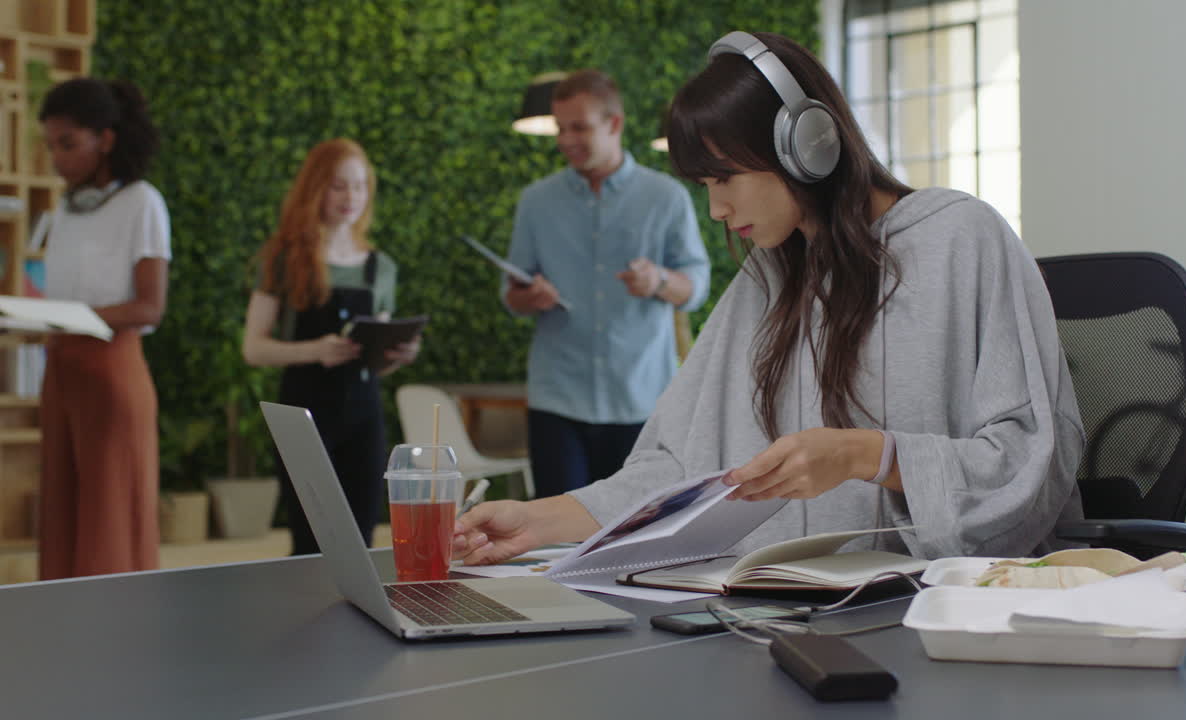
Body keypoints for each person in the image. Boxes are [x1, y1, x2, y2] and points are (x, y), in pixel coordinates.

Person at [454, 31, 1083, 564]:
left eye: (724, 178)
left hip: (931, 618)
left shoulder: (959, 239)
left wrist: (871, 454)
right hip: (782, 615)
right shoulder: (770, 276)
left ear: (807, 145)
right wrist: (541, 523)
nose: (717, 209)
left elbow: (1032, 459)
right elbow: (684, 465)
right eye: (703, 184)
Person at [503, 69, 711, 498]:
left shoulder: (666, 197)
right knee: (555, 545)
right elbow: (510, 296)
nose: (565, 139)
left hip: (642, 402)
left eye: (578, 127)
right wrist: (529, 297)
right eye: (560, 128)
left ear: (614, 124)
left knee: (637, 538)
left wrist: (657, 281)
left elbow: (697, 286)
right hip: (557, 400)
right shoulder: (535, 201)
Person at [242, 138, 419, 555]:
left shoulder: (381, 267)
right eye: (338, 185)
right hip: (304, 413)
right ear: (315, 187)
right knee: (309, 542)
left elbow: (376, 362)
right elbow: (254, 348)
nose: (350, 197)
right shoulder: (285, 257)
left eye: (359, 186)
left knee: (360, 540)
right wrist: (315, 350)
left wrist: (397, 355)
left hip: (363, 414)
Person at [37, 78, 169, 579]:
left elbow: (149, 307)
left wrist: (77, 318)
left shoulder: (142, 203)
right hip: (62, 371)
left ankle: (117, 639)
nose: (56, 158)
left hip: (111, 373)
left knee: (112, 516)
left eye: (67, 144)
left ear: (106, 139)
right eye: (50, 145)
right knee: (62, 510)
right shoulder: (65, 211)